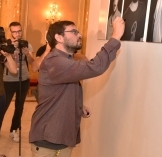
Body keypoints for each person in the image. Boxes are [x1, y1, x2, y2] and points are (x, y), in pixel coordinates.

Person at [29, 17, 124, 157]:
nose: (79, 35)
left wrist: (77, 105)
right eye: (74, 32)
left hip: (62, 138)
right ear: (58, 37)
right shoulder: (55, 61)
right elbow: (95, 66)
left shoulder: (66, 60)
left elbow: (62, 89)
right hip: (47, 139)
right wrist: (115, 36)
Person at [2, 22, 34, 143]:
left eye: (19, 31)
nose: (17, 34)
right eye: (14, 32)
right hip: (8, 80)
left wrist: (27, 53)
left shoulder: (26, 44)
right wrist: (9, 50)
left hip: (24, 79)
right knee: (3, 106)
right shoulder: (6, 45)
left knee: (19, 107)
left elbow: (32, 62)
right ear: (10, 32)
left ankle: (14, 130)